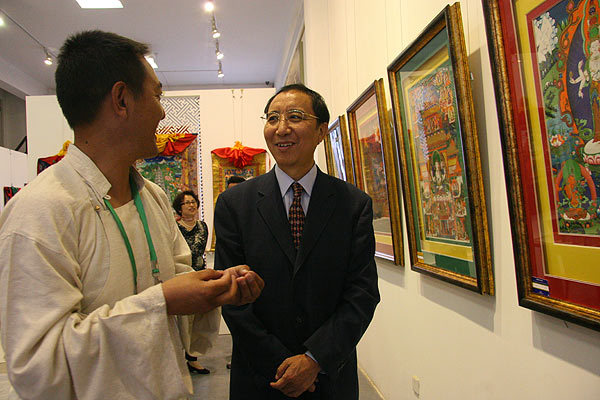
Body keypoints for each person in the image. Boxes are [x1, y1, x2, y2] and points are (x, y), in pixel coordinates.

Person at [0, 30, 264, 400]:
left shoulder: (152, 197)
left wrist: (214, 287)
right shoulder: (40, 212)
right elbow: (39, 367)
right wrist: (162, 302)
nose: (162, 111)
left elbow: (176, 280)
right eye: (157, 95)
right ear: (122, 99)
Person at [214, 84, 380, 399]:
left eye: (295, 116)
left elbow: (362, 293)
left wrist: (314, 360)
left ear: (320, 131)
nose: (281, 128)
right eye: (272, 118)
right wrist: (281, 364)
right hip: (260, 377)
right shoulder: (235, 204)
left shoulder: (352, 204)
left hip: (329, 378)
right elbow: (230, 295)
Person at [172, 190, 211, 374]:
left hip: (199, 276)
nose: (191, 205)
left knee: (196, 320)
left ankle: (192, 357)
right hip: (180, 278)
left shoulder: (202, 226)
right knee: (181, 321)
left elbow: (197, 249)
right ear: (179, 207)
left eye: (193, 202)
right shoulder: (174, 227)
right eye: (186, 203)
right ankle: (181, 358)